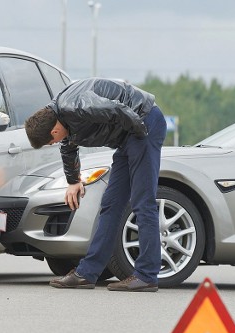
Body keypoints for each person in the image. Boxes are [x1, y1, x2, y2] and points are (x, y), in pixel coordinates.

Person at [25, 78, 166, 292]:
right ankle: (87, 273)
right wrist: (73, 181)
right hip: (128, 136)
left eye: (50, 142)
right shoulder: (59, 115)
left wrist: (141, 138)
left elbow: (117, 110)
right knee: (110, 204)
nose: (54, 144)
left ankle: (146, 275)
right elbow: (68, 146)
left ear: (53, 131)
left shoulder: (78, 106)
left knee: (142, 201)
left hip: (143, 124)